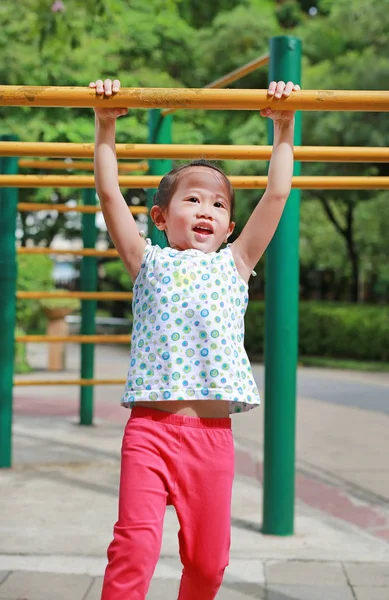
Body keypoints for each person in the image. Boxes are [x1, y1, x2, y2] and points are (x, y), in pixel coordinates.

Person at [89, 77, 300, 600]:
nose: (206, 210)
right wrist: (106, 125)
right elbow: (110, 193)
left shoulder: (237, 263)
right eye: (192, 200)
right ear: (160, 218)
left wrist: (284, 126)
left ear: (230, 226)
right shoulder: (147, 261)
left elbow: (276, 193)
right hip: (151, 432)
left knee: (208, 565)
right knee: (134, 549)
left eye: (218, 205)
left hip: (211, 440)